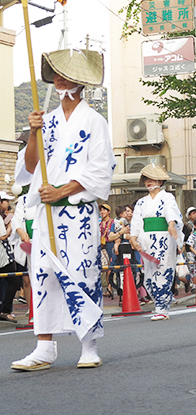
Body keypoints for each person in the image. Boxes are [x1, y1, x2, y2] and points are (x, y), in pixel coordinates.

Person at [12, 48, 115, 370]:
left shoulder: (95, 121)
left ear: (80, 82)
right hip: (46, 214)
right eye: (55, 72)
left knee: (82, 273)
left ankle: (88, 344)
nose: (59, 77)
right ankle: (44, 345)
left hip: (78, 212)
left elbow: (100, 170)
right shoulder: (46, 121)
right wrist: (32, 132)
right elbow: (28, 168)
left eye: (66, 73)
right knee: (42, 274)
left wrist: (62, 190)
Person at [128, 163, 184, 321]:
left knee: (164, 271)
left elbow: (170, 211)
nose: (149, 182)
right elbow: (137, 221)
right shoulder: (141, 202)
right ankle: (158, 303)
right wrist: (133, 237)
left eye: (152, 179)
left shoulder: (167, 197)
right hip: (147, 240)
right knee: (150, 276)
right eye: (146, 179)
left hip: (164, 239)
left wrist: (171, 224)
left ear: (160, 181)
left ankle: (162, 308)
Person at [10, 185, 34, 311]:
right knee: (27, 281)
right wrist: (21, 232)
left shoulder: (48, 198)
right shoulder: (24, 200)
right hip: (27, 244)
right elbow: (16, 220)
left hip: (44, 244)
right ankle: (32, 311)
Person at [0, 191, 20, 323]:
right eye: (6, 200)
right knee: (15, 281)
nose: (8, 203)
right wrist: (11, 228)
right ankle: (5, 311)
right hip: (2, 257)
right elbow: (2, 236)